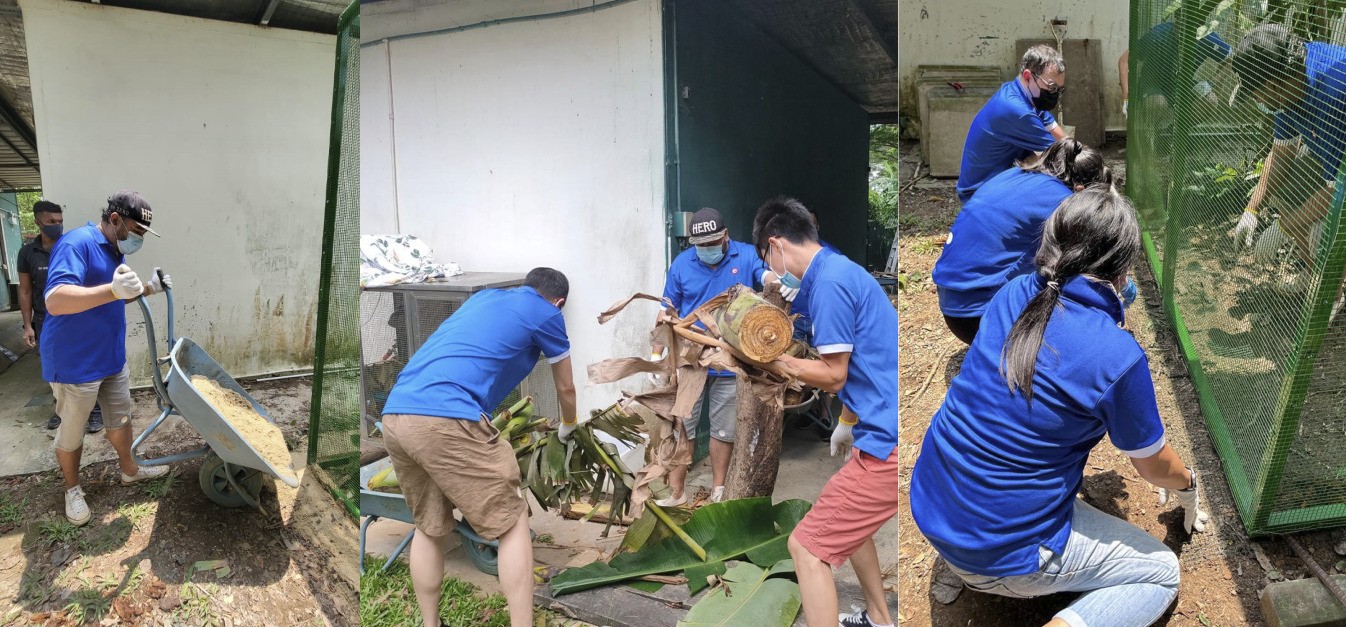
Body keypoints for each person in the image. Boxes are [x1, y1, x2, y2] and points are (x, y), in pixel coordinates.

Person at [911, 186, 1208, 627]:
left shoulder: (1012, 292)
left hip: (934, 503)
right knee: (1161, 574)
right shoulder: (1116, 356)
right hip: (997, 554)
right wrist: (1188, 485)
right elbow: (1153, 466)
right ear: (1122, 270)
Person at [380, 267, 578, 627]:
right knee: (512, 521)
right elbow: (565, 388)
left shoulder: (486, 297)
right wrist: (568, 426)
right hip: (447, 418)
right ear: (559, 301)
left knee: (429, 525)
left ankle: (431, 624)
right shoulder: (548, 313)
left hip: (396, 414)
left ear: (524, 286)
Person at [757, 197, 900, 627]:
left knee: (807, 547)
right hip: (881, 430)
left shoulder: (831, 284)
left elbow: (834, 374)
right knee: (850, 527)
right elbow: (865, 364)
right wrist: (846, 423)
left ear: (775, 244)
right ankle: (878, 617)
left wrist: (775, 361)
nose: (771, 266)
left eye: (767, 257)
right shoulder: (837, 271)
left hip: (889, 446)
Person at [43, 191, 173, 526]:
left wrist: (146, 288)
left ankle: (130, 470)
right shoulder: (77, 244)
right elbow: (56, 300)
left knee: (120, 419)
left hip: (110, 359)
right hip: (74, 363)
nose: (140, 239)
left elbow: (112, 298)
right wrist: (114, 290)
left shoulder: (116, 251)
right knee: (73, 429)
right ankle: (72, 490)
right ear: (115, 220)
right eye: (137, 231)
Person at [933, 139, 1112, 344]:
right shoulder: (1062, 201)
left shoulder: (1015, 174)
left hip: (953, 304)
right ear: (1080, 190)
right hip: (978, 318)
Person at [651, 207, 771, 507]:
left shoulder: (744, 256)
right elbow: (666, 311)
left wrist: (772, 278)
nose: (706, 250)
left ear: (725, 236)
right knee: (682, 425)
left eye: (712, 243)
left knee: (723, 429)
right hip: (691, 359)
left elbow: (762, 273)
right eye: (700, 246)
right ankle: (677, 493)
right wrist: (656, 356)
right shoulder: (681, 265)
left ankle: (718, 490)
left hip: (729, 358)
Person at [1229, 24, 1346, 267]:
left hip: (1340, 183)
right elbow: (1281, 156)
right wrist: (1251, 210)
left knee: (1322, 235)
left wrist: (1283, 227)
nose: (1256, 101)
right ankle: (1313, 279)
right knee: (1284, 193)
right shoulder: (1287, 86)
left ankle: (1330, 297)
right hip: (1336, 173)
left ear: (1271, 84)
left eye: (1254, 94)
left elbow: (1339, 192)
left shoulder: (1334, 91)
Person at [18, 200, 104, 432]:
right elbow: (25, 290)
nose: (57, 226)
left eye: (60, 221)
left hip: (75, 319)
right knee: (54, 367)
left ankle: (94, 412)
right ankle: (61, 410)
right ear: (38, 222)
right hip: (45, 319)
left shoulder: (72, 245)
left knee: (84, 364)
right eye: (51, 222)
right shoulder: (28, 252)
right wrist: (27, 325)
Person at [957, 45, 1069, 203]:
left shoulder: (1020, 93)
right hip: (979, 193)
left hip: (998, 177)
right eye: (1051, 87)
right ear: (1028, 76)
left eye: (1059, 89)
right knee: (1059, 185)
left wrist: (1077, 150)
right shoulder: (1017, 111)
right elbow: (1060, 154)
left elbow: (1062, 139)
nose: (1055, 94)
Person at [1119, 21, 1231, 120]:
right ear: (1177, 23)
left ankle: (1177, 130)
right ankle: (1153, 134)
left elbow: (1230, 59)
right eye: (1180, 28)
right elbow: (1124, 61)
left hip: (1182, 85)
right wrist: (1126, 99)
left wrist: (1212, 83)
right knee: (1158, 104)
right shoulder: (1158, 35)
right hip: (1153, 84)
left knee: (1210, 100)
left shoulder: (1207, 37)